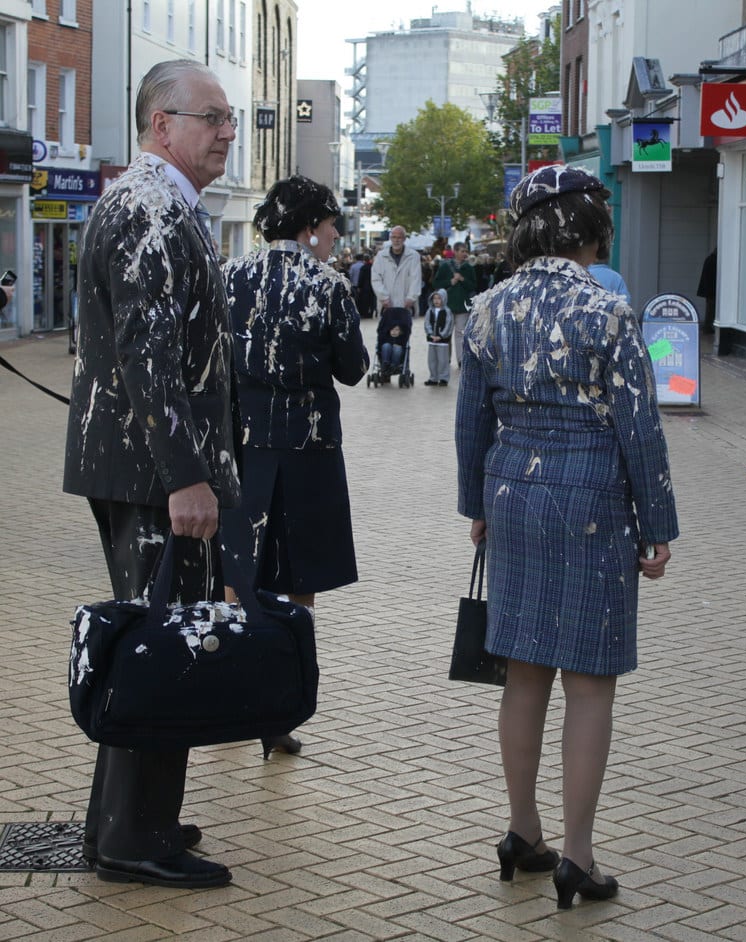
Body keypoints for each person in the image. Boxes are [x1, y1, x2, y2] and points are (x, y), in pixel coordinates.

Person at [455, 165, 677, 910]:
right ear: (592, 229)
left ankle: (523, 832)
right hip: (590, 500)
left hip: (512, 494)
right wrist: (657, 526)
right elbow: (639, 428)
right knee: (589, 684)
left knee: (523, 675)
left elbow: (470, 426)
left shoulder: (487, 309)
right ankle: (577, 857)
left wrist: (476, 505)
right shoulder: (608, 310)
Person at [62, 59, 241, 889]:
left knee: (150, 639)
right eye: (211, 117)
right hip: (152, 476)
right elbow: (147, 351)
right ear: (159, 123)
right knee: (162, 648)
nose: (227, 132)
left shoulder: (154, 204)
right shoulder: (150, 208)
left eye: (230, 118)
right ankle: (136, 836)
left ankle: (129, 819)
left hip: (138, 466)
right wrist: (185, 476)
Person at [220, 175, 369, 759]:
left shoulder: (230, 276)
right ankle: (278, 715)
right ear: (309, 228)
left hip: (244, 446)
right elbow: (354, 368)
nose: (334, 239)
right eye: (331, 228)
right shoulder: (327, 285)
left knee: (238, 578)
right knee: (297, 585)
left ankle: (228, 698)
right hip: (308, 452)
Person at [433, 241, 478, 367]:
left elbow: (473, 286)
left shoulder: (469, 268)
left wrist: (463, 279)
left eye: (465, 251)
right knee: (446, 333)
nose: (465, 254)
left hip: (463, 306)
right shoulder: (445, 266)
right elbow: (436, 284)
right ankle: (445, 359)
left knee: (460, 333)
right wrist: (450, 281)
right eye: (462, 251)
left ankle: (460, 359)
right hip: (447, 305)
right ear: (455, 251)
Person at [371, 225, 422, 316]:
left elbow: (416, 279)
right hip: (386, 305)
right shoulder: (381, 256)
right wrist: (384, 297)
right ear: (390, 238)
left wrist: (411, 298)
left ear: (404, 239)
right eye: (394, 237)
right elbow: (375, 279)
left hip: (407, 305)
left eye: (399, 237)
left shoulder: (414, 256)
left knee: (405, 329)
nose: (396, 240)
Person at [424, 288, 454, 386]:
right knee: (432, 360)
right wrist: (430, 333)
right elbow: (427, 323)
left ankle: (443, 378)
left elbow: (449, 324)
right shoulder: (430, 311)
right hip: (432, 340)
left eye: (439, 298)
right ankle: (433, 377)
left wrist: (442, 335)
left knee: (443, 360)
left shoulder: (447, 311)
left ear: (444, 299)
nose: (436, 301)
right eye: (435, 298)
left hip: (443, 341)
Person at [376, 305, 412, 377]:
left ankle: (394, 366)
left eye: (396, 330)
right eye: (392, 330)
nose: (394, 332)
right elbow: (381, 338)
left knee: (397, 348)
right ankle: (385, 364)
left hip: (397, 357)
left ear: (400, 332)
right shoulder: (385, 337)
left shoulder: (402, 338)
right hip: (386, 352)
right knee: (386, 346)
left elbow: (404, 343)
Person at [697, 247, 717, 334]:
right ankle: (708, 327)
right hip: (711, 289)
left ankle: (708, 326)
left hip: (709, 289)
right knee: (710, 309)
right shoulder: (713, 260)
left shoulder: (710, 259)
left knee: (710, 309)